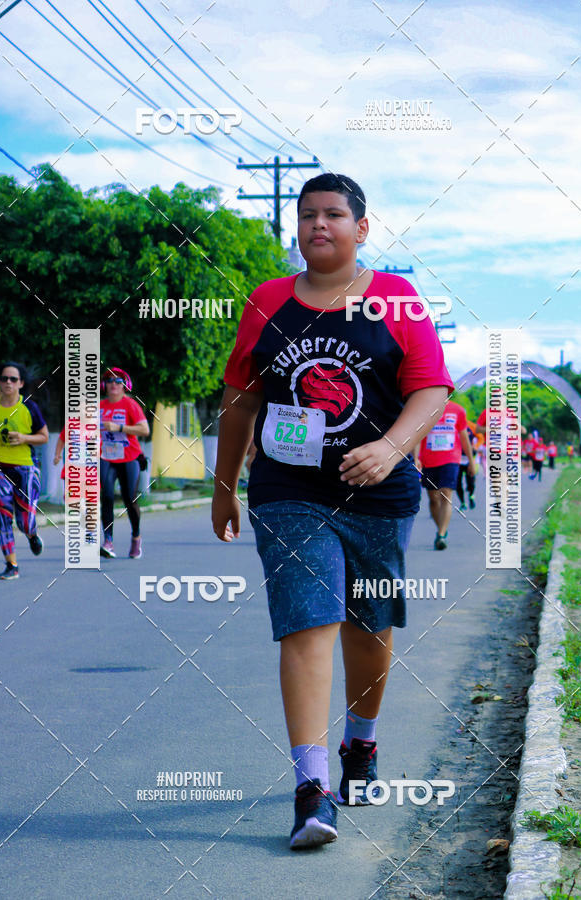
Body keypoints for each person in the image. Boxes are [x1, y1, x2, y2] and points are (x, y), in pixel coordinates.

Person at [212, 173, 452, 849]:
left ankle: (361, 746)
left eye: (334, 215)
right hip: (290, 491)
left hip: (378, 493)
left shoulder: (395, 301)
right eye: (308, 215)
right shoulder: (266, 303)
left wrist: (391, 447)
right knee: (307, 619)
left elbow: (431, 389)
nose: (320, 225)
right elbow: (241, 399)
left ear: (361, 228)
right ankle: (311, 791)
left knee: (367, 624)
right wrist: (224, 484)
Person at [0, 362, 48, 579]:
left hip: (26, 468)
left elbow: (44, 437)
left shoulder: (29, 408)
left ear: (21, 383)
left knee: (24, 521)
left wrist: (24, 438)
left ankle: (32, 533)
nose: (8, 382)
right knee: (2, 515)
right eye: (4, 378)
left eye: (13, 379)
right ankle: (11, 565)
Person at [99, 367, 149, 559]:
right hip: (106, 457)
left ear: (124, 386)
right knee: (108, 497)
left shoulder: (130, 405)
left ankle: (136, 537)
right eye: (110, 381)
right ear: (104, 386)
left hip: (129, 457)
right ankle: (108, 541)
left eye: (118, 381)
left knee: (130, 499)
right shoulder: (99, 407)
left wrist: (119, 427)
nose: (113, 384)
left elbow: (144, 430)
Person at [419, 401, 476, 549]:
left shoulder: (457, 410)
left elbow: (464, 437)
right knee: (433, 499)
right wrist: (416, 458)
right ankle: (441, 528)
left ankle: (441, 534)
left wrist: (471, 461)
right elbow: (417, 435)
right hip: (428, 460)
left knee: (445, 494)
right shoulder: (424, 407)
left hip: (450, 458)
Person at [456, 425, 478, 510]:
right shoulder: (453, 429)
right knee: (458, 483)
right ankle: (462, 503)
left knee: (471, 482)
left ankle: (471, 496)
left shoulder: (469, 430)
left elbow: (474, 444)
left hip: (468, 460)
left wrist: (473, 452)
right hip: (457, 461)